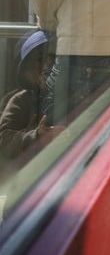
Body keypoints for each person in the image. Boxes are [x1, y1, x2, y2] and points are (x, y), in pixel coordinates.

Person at [0, 31, 63, 161]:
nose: (46, 66)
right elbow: (3, 139)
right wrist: (36, 136)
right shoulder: (22, 99)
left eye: (52, 59)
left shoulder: (70, 95)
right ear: (26, 74)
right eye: (39, 60)